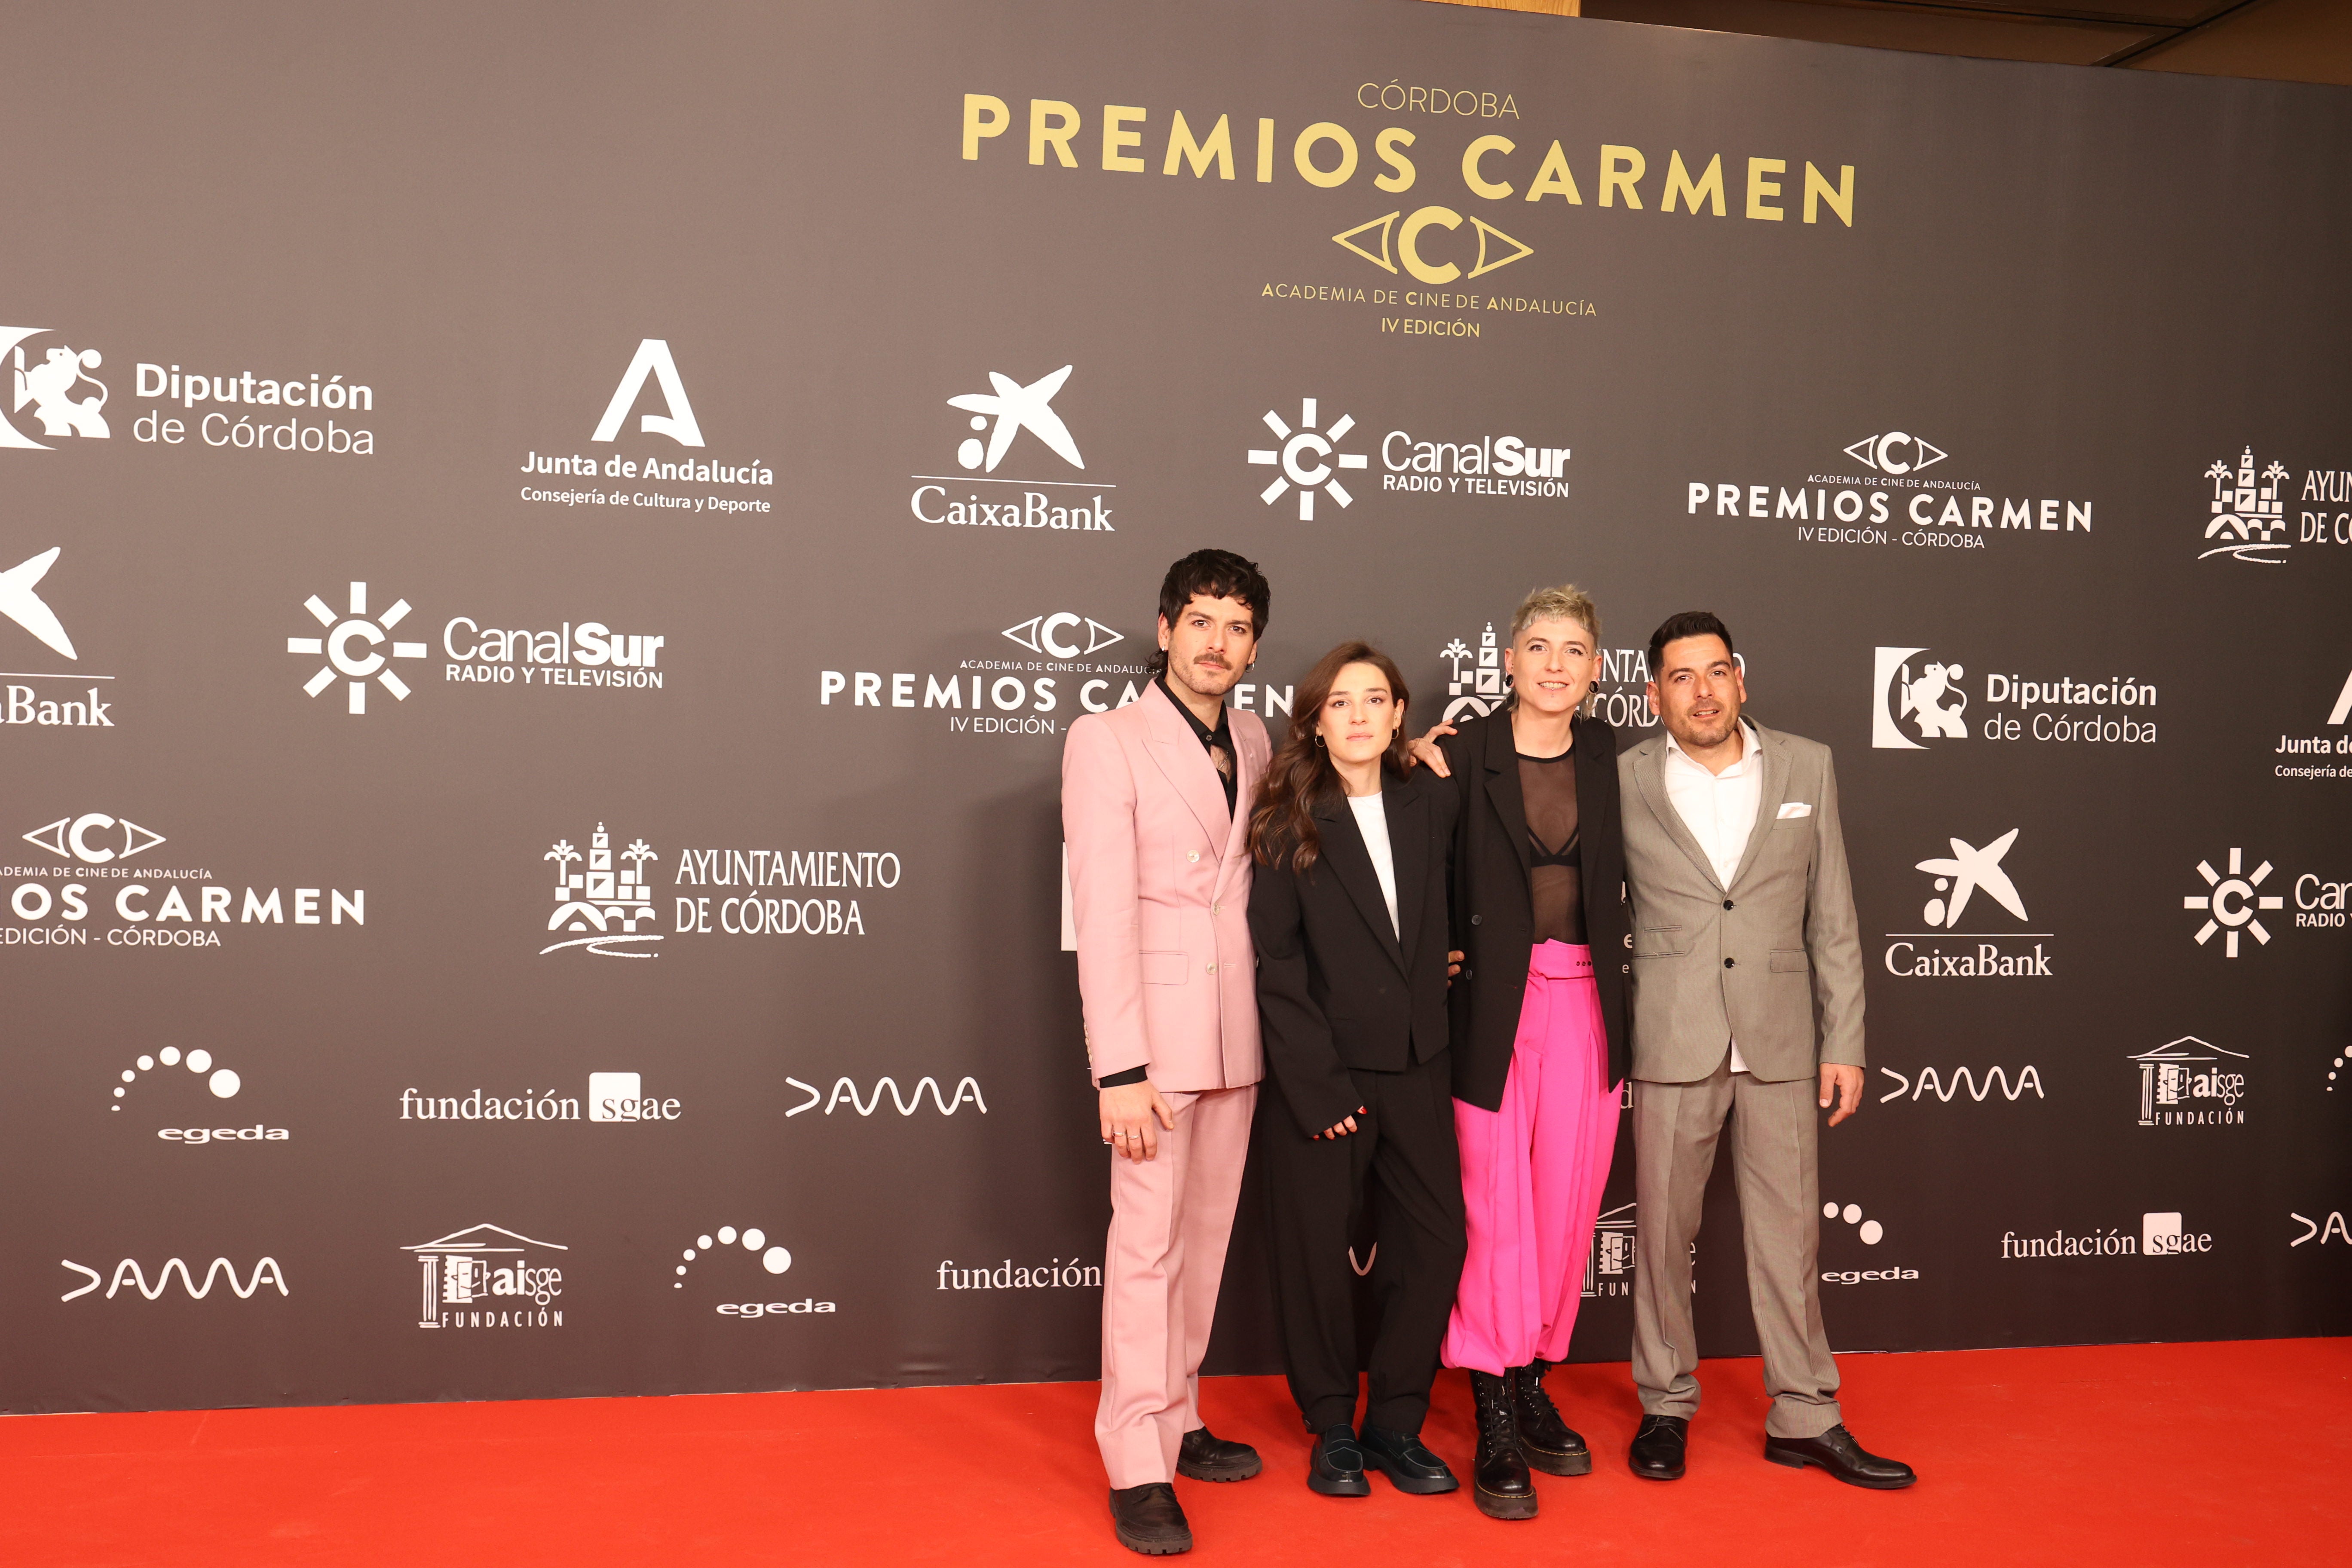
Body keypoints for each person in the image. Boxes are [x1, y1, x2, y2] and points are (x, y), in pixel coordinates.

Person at [1617, 611, 1915, 1490]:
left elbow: (1834, 915)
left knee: (1790, 1238)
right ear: (1655, 695)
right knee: (1662, 1236)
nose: (1703, 692)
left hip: (1782, 1037)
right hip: (1672, 1035)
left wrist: (1845, 1039)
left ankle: (1805, 1413)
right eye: (1681, 677)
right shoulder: (1623, 778)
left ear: (1741, 678)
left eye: (1717, 672)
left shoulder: (1807, 764)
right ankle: (1665, 1403)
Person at [1062, 549, 1275, 1556]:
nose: (1217, 643)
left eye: (1237, 628)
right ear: (1164, 630)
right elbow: (1101, 917)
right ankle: (1134, 1457)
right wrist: (1119, 1070)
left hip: (1237, 1033)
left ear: (1254, 647)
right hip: (1152, 1048)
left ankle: (1179, 1414)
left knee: (1205, 1241)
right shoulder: (1106, 740)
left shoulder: (1259, 737)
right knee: (1146, 1250)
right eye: (1200, 622)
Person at [1408, 585, 1630, 1522]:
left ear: (1596, 668)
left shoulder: (1613, 756)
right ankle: (1493, 1406)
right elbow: (1410, 867)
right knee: (1495, 1208)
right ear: (1508, 660)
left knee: (1567, 1204)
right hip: (1490, 1011)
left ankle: (1534, 1376)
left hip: (1590, 1003)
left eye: (1574, 650)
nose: (1554, 665)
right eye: (1538, 646)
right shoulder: (1460, 754)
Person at [1245, 643, 1467, 1503]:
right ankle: (1333, 1423)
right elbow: (1277, 963)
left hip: (1419, 1064)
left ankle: (1396, 1421)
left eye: (1376, 699)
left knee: (1438, 1243)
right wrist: (1317, 1085)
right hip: (1326, 1077)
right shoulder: (1286, 819)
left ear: (1400, 713)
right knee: (1313, 1254)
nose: (1360, 716)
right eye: (1341, 703)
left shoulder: (1432, 798)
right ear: (1315, 722)